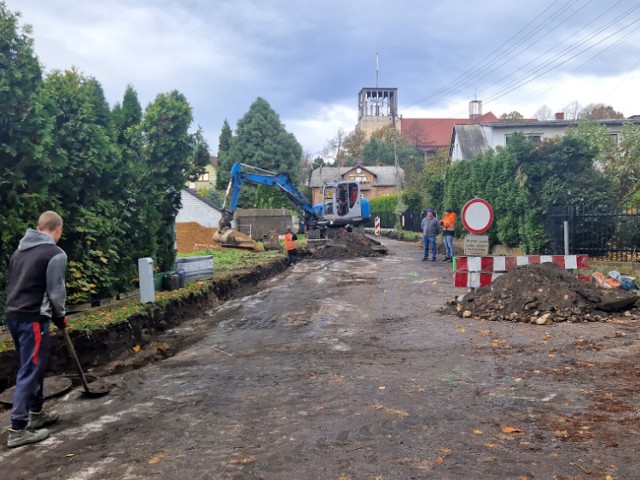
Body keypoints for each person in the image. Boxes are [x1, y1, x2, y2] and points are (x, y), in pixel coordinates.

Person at [5, 211, 67, 448]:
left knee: (32, 365)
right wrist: (60, 316)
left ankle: (36, 413)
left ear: (39, 227)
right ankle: (18, 429)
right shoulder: (55, 254)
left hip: (14, 316)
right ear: (57, 229)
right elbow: (55, 292)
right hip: (33, 318)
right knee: (31, 369)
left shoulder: (19, 252)